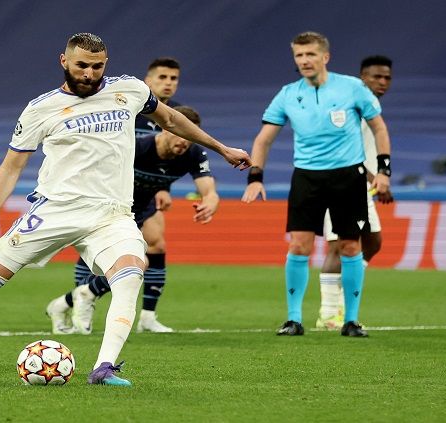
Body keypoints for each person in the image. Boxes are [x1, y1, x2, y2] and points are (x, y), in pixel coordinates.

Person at [0, 33, 251, 386]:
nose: (90, 73)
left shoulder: (129, 90)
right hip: (55, 210)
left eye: (97, 66)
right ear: (64, 61)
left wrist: (222, 148)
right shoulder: (41, 108)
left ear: (107, 63)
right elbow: (11, 166)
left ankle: (104, 367)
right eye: (82, 65)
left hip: (111, 214)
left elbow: (172, 120)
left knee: (132, 273)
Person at [241, 32, 392, 338]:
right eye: (299, 55)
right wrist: (255, 177)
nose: (304, 61)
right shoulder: (287, 93)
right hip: (306, 178)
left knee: (351, 246)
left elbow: (379, 127)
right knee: (299, 245)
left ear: (325, 57)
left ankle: (351, 320)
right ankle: (293, 319)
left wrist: (385, 170)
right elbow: (264, 139)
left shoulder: (352, 88)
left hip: (348, 177)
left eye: (310, 54)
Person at [46, 105, 219, 335]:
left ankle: (70, 302)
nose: (184, 141)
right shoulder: (137, 147)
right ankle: (81, 297)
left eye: (189, 135)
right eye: (179, 133)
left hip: (137, 210)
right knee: (132, 262)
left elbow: (209, 190)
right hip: (107, 207)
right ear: (164, 129)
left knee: (152, 250)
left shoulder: (194, 154)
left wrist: (210, 202)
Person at [317, 55, 395, 330]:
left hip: (362, 186)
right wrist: (377, 177)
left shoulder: (370, 107)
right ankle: (329, 313)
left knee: (372, 243)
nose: (382, 82)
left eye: (387, 77)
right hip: (338, 182)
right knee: (339, 245)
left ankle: (342, 295)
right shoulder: (351, 106)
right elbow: (342, 147)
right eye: (376, 76)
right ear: (363, 77)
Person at [135, 57, 182, 136]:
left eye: (173, 78)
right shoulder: (132, 109)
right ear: (148, 80)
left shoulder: (180, 114)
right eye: (162, 77)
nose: (168, 82)